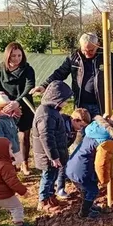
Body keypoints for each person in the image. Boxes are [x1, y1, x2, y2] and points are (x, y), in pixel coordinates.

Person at [29, 33, 113, 119]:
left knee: (100, 134)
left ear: (98, 45)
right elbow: (59, 73)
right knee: (80, 133)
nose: (87, 54)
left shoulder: (107, 57)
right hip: (81, 104)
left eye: (91, 50)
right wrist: (44, 86)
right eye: (84, 50)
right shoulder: (73, 57)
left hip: (101, 105)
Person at [66, 114, 113, 219]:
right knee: (92, 190)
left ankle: (89, 206)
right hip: (81, 169)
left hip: (73, 164)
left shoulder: (97, 128)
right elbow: (101, 163)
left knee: (86, 189)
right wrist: (104, 180)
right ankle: (84, 213)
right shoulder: (107, 141)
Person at [0, 42, 35, 176]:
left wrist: (17, 103)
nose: (17, 58)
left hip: (24, 104)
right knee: (8, 136)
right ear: (7, 56)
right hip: (6, 107)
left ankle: (24, 163)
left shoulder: (28, 69)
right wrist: (6, 105)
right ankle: (11, 163)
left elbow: (29, 87)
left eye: (19, 55)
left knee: (24, 136)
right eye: (13, 56)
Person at [31, 80, 73, 212]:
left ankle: (50, 197)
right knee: (48, 177)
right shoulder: (46, 115)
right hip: (48, 156)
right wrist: (54, 157)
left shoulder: (52, 111)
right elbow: (46, 138)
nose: (66, 103)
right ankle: (43, 201)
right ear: (57, 99)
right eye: (65, 100)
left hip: (53, 155)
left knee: (52, 176)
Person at [56, 108, 91, 200]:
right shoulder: (62, 124)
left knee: (63, 167)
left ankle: (60, 181)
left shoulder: (73, 129)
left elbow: (69, 142)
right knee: (61, 168)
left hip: (63, 148)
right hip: (55, 149)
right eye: (81, 126)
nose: (81, 128)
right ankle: (59, 188)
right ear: (75, 120)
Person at [0, 92, 23, 166]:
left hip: (14, 148)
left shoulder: (8, 118)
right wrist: (7, 151)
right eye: (8, 107)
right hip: (6, 152)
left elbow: (13, 126)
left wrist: (18, 115)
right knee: (7, 169)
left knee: (12, 168)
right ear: (1, 108)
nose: (11, 109)